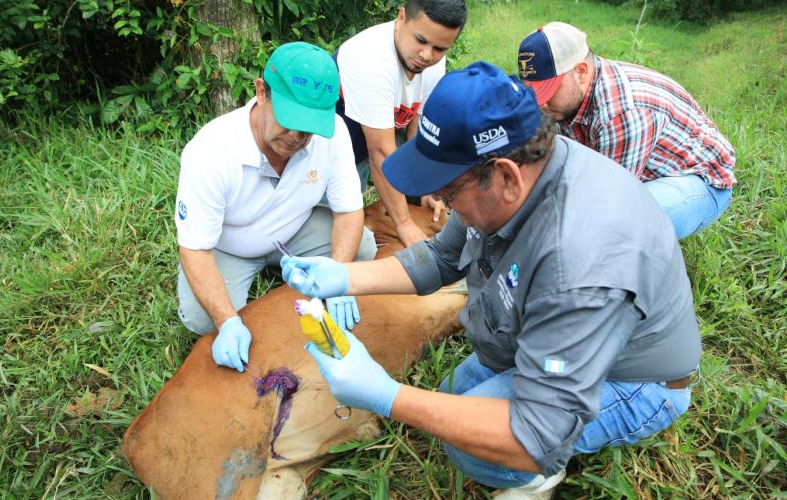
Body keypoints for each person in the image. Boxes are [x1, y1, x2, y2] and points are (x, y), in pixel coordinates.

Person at [280, 62, 701, 499]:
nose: (444, 204)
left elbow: (533, 433)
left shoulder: (582, 263)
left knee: (471, 447)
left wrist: (388, 396)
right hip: (538, 334)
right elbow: (443, 256)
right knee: (455, 395)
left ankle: (540, 481)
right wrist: (344, 275)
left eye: (447, 194)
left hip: (631, 379)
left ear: (505, 177)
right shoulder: (517, 172)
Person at [174, 42, 376, 372]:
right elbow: (195, 248)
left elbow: (349, 211)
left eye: (309, 126)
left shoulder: (333, 135)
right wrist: (227, 321)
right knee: (202, 319)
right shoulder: (210, 151)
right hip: (231, 246)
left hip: (294, 229)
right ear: (261, 92)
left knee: (362, 249)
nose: (296, 135)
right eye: (289, 118)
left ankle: (292, 269)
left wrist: (339, 278)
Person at [517, 22, 736, 239]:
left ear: (581, 72)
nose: (540, 103)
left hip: (700, 181)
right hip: (644, 169)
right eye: (532, 91)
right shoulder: (570, 96)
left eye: (548, 91)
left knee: (615, 226)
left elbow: (610, 199)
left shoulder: (619, 114)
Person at [334, 0, 467, 247]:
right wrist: (404, 225)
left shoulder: (432, 64)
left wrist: (427, 188)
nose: (427, 55)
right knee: (344, 228)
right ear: (402, 17)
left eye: (439, 48)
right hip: (337, 146)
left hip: (384, 131)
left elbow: (418, 128)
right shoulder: (371, 59)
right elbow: (381, 153)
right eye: (420, 40)